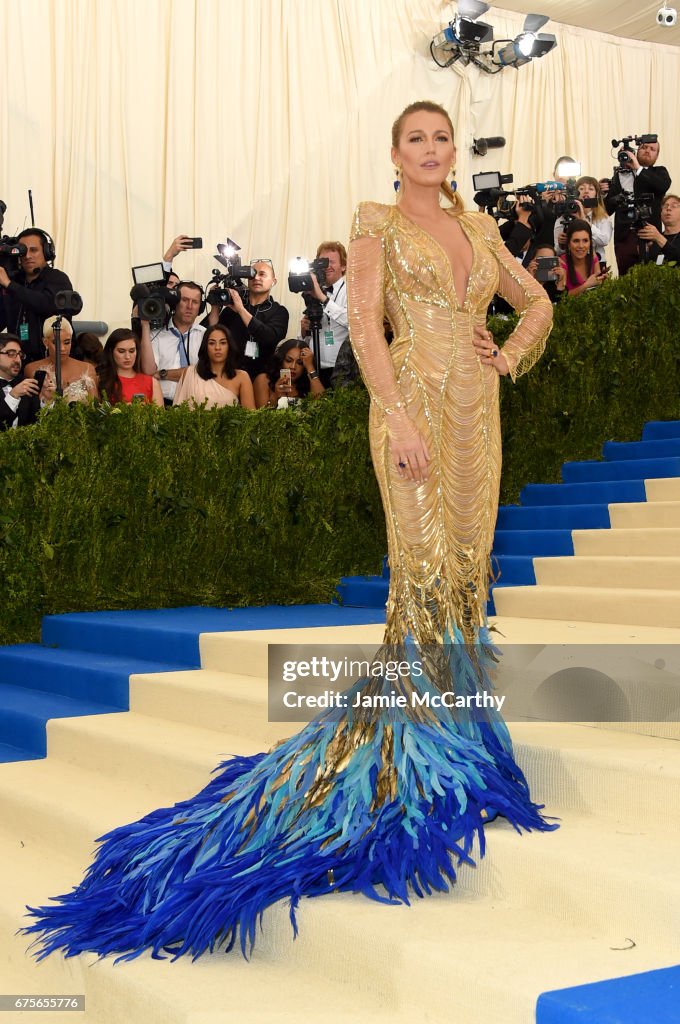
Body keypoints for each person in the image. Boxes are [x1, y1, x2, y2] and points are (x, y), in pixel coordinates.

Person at [24, 101, 555, 964]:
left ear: (455, 150)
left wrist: (510, 349)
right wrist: (398, 417)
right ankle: (406, 761)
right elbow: (370, 325)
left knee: (467, 569)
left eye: (442, 138)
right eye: (415, 139)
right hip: (411, 411)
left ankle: (460, 737)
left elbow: (537, 303)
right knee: (420, 571)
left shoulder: (481, 223)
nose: (430, 150)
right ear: (395, 152)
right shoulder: (375, 221)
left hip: (478, 414)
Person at [205, 259, 289, 379]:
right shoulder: (232, 308)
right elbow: (214, 332)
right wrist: (214, 305)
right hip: (230, 375)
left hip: (263, 378)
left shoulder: (279, 311)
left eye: (262, 274)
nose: (256, 278)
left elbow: (269, 338)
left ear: (273, 281)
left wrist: (241, 310)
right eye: (252, 274)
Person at [0, 229, 74, 363]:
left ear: (47, 252)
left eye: (34, 250)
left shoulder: (58, 279)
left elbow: (46, 304)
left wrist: (9, 284)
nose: (27, 256)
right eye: (23, 251)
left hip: (52, 362)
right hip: (18, 363)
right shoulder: (13, 281)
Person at [604, 138, 671, 275]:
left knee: (651, 280)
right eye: (644, 147)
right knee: (626, 281)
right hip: (624, 238)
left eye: (652, 149)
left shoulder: (659, 172)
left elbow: (662, 186)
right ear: (637, 150)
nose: (647, 151)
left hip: (649, 236)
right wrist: (605, 194)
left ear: (657, 156)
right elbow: (607, 210)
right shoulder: (620, 175)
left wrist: (638, 168)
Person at [140, 281, 206, 405]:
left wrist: (163, 373)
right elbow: (149, 371)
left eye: (195, 302)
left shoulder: (205, 335)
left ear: (200, 308)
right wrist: (145, 325)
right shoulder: (156, 334)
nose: (190, 306)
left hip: (196, 404)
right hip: (161, 404)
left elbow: (204, 373)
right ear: (175, 303)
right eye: (185, 300)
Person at [300, 242, 348, 386]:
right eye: (322, 262)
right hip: (314, 369)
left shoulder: (351, 290)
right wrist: (304, 332)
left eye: (331, 262)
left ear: (343, 266)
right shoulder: (311, 292)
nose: (326, 266)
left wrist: (322, 298)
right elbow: (304, 340)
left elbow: (352, 321)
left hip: (343, 369)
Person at [172, 324, 255, 409]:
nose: (217, 347)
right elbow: (179, 414)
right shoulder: (190, 373)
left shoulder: (242, 377)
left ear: (229, 346)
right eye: (212, 343)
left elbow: (250, 418)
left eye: (223, 343)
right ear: (205, 347)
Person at [25, 317, 98, 404]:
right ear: (45, 342)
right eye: (56, 343)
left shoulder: (87, 369)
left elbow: (95, 409)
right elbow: (30, 409)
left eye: (67, 342)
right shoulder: (32, 369)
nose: (62, 348)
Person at [97, 328, 163, 406]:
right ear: (111, 351)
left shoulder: (151, 382)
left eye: (132, 351)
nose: (127, 357)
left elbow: (160, 415)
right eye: (121, 351)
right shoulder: (99, 380)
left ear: (137, 351)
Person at [554, 177, 613, 263]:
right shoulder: (563, 218)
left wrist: (584, 220)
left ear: (596, 195)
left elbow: (604, 241)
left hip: (596, 262)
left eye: (591, 189)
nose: (586, 191)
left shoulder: (603, 217)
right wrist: (561, 244)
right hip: (571, 264)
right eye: (581, 188)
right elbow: (557, 251)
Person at [253, 339, 325, 408]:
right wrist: (275, 396)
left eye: (299, 363)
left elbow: (323, 407)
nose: (293, 367)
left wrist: (310, 367)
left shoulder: (308, 382)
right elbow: (261, 417)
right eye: (288, 360)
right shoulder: (264, 379)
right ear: (281, 360)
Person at [0, 333, 40, 429]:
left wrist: (46, 401)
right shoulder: (20, 388)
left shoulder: (26, 383)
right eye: (11, 354)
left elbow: (38, 423)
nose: (18, 360)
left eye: (20, 354)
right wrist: (13, 396)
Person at [558, 219, 607, 296]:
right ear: (568, 243)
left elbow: (598, 289)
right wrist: (586, 285)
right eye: (576, 241)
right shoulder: (561, 263)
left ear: (590, 242)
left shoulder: (593, 258)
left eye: (585, 241)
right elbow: (561, 298)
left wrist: (601, 281)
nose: (581, 246)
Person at [637, 193, 680, 264]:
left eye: (674, 206)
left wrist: (659, 238)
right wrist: (644, 253)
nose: (668, 208)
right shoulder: (653, 241)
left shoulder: (657, 237)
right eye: (665, 206)